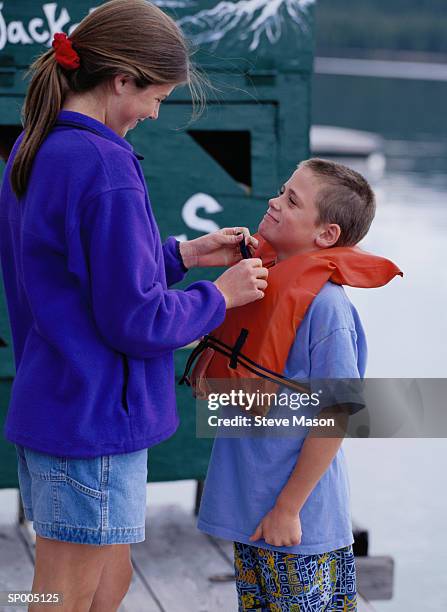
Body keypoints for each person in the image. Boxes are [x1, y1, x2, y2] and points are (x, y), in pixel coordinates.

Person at [0, 1, 269, 610]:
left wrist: (187, 255)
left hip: (62, 405)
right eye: (156, 96)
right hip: (92, 420)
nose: (153, 111)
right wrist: (219, 298)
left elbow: (74, 273)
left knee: (110, 581)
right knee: (61, 597)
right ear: (122, 79)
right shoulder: (104, 165)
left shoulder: (35, 145)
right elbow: (136, 319)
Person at [196, 158, 400, 610]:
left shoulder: (327, 309)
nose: (274, 201)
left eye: (291, 200)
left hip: (299, 524)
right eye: (281, 189)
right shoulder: (253, 284)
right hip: (250, 514)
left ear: (326, 235)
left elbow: (337, 414)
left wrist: (288, 507)